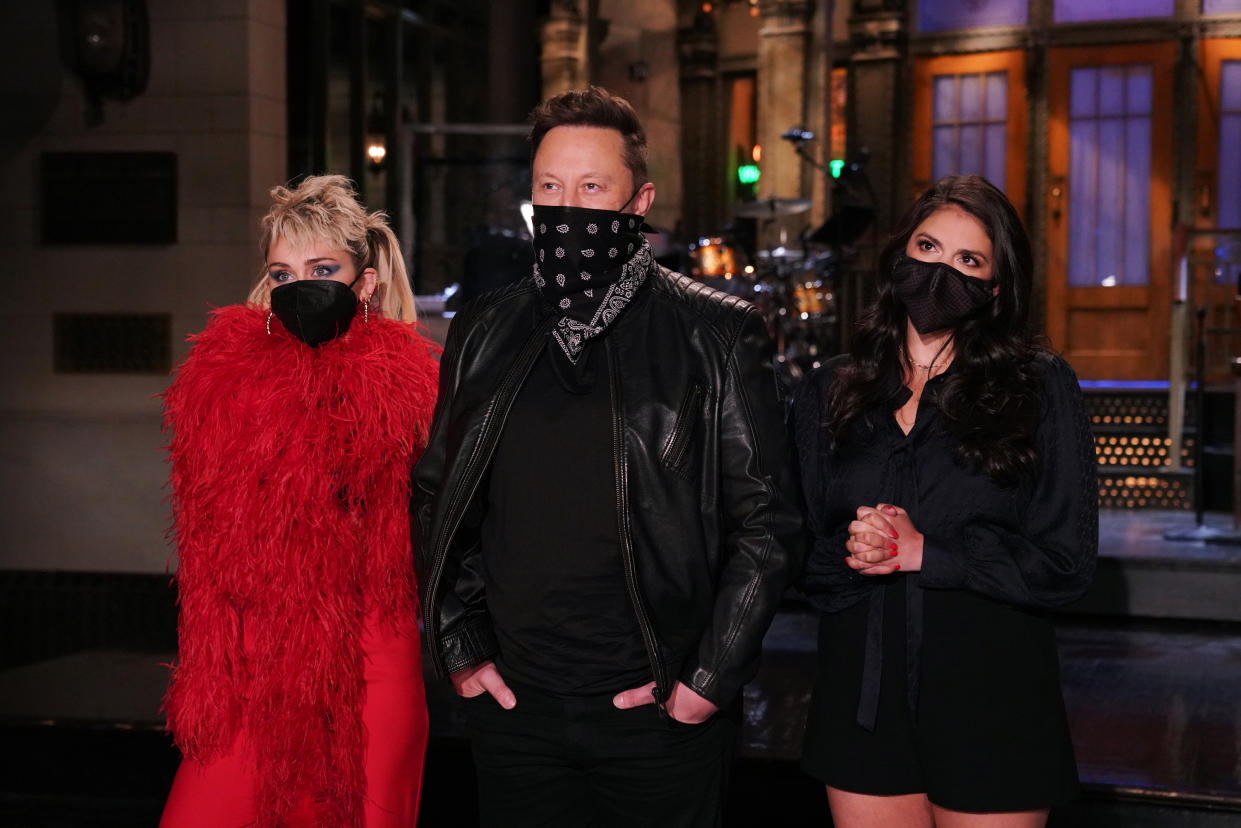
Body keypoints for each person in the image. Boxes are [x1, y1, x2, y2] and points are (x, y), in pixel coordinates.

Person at [413, 86, 803, 828]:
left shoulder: (715, 335)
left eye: (591, 187)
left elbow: (767, 524)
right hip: (516, 713)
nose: (568, 207)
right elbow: (440, 493)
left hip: (655, 716)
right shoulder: (484, 329)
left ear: (638, 201)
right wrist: (461, 647)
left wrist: (706, 681)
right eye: (549, 188)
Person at [791, 174, 1098, 827]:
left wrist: (925, 554)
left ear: (994, 285)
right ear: (899, 255)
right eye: (927, 248)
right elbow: (801, 552)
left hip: (991, 701)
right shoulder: (831, 389)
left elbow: (1065, 564)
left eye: (967, 260)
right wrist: (854, 552)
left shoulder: (1039, 388)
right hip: (861, 703)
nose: (940, 272)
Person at [159, 175, 439, 828]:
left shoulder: (412, 394)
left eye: (321, 268)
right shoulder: (224, 385)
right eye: (282, 274)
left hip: (372, 658)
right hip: (252, 667)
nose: (298, 286)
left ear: (363, 282)